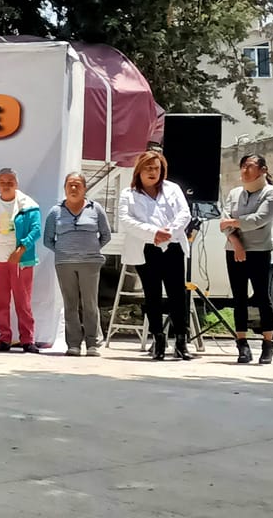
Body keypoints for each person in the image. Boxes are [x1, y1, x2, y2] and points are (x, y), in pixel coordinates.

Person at [118, 149, 194, 361]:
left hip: (172, 246)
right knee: (152, 295)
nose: (153, 172)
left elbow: (184, 214)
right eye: (148, 168)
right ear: (139, 171)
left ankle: (180, 340)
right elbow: (126, 220)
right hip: (146, 248)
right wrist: (153, 233)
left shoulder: (173, 188)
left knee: (177, 295)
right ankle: (158, 339)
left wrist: (168, 232)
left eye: (157, 168)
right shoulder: (128, 194)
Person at [220, 153, 273, 365]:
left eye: (250, 166)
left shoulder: (271, 192)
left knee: (262, 297)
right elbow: (223, 220)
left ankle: (267, 344)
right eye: (243, 166)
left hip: (259, 251)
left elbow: (260, 219)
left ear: (263, 170)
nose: (245, 171)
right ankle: (242, 344)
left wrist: (233, 223)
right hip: (233, 250)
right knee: (239, 298)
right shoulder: (235, 193)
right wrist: (235, 241)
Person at [42, 170, 110, 356]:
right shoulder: (55, 211)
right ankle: (73, 344)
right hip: (64, 263)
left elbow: (106, 235)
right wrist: (65, 252)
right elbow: (48, 239)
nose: (73, 188)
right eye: (70, 184)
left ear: (84, 188)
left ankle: (92, 344)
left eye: (77, 184)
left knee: (90, 303)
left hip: (90, 264)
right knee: (70, 303)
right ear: (64, 188)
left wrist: (90, 250)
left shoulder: (95, 209)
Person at [0, 168, 44, 353]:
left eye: (10, 182)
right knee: (0, 302)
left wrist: (21, 249)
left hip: (21, 262)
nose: (6, 185)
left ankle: (27, 339)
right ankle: (4, 338)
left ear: (17, 184)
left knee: (23, 302)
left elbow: (36, 230)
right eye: (3, 182)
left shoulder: (28, 205)